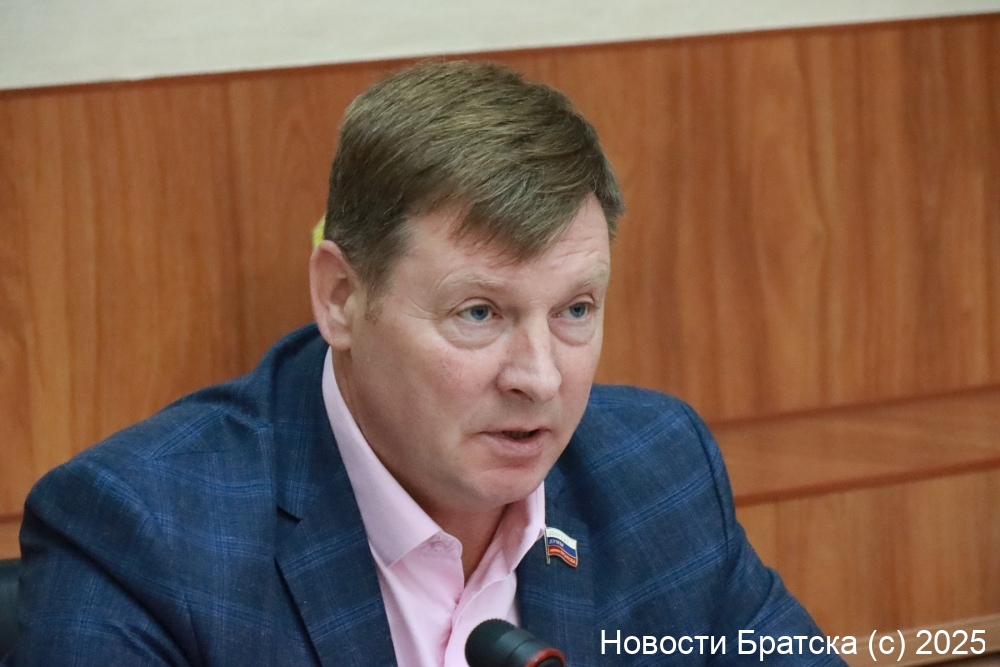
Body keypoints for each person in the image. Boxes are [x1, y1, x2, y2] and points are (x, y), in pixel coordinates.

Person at [6, 61, 844, 666]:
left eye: (575, 310)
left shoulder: (657, 473)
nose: (539, 377)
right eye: (479, 313)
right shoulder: (144, 538)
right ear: (342, 297)